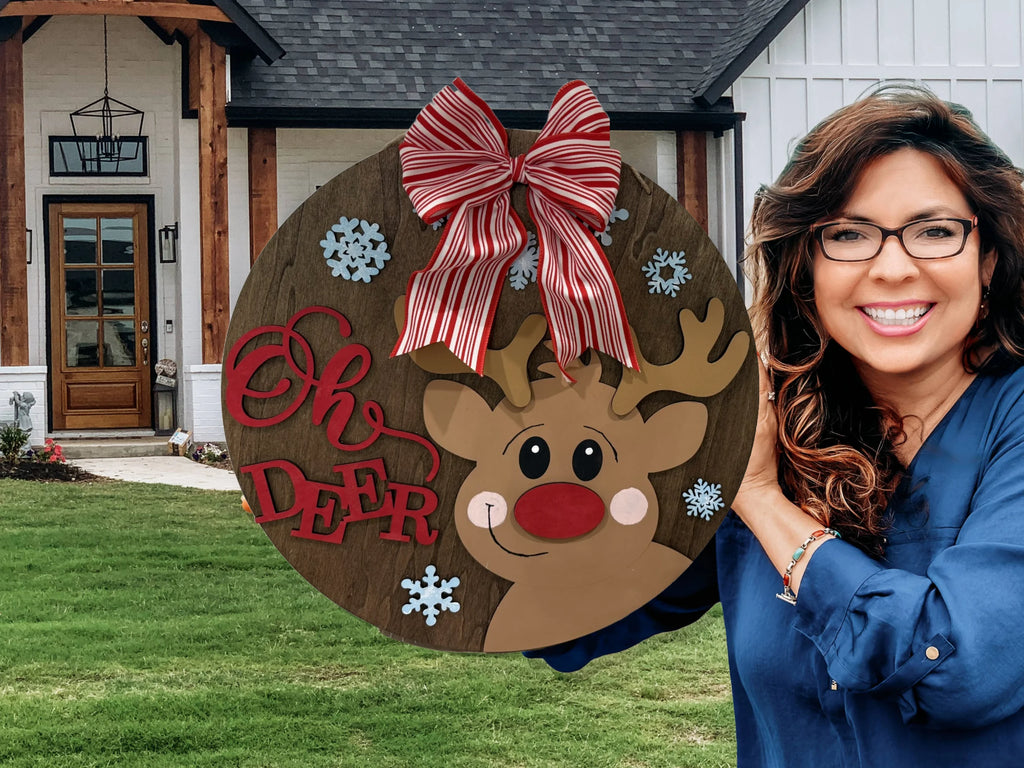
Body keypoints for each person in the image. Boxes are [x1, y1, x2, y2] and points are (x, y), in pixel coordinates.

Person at [526, 86, 1024, 767]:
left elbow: (956, 669)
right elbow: (570, 616)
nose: (893, 267)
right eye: (847, 234)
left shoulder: (1009, 425)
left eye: (935, 231)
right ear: (805, 270)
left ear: (987, 258)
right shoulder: (768, 423)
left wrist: (761, 499)